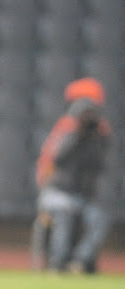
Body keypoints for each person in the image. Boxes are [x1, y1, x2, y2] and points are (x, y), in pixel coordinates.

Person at [31, 77, 113, 273]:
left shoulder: (101, 133)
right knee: (64, 214)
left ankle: (80, 262)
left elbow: (100, 165)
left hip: (83, 197)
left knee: (98, 219)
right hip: (57, 192)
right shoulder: (66, 128)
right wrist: (76, 134)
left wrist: (96, 138)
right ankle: (57, 263)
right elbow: (57, 159)